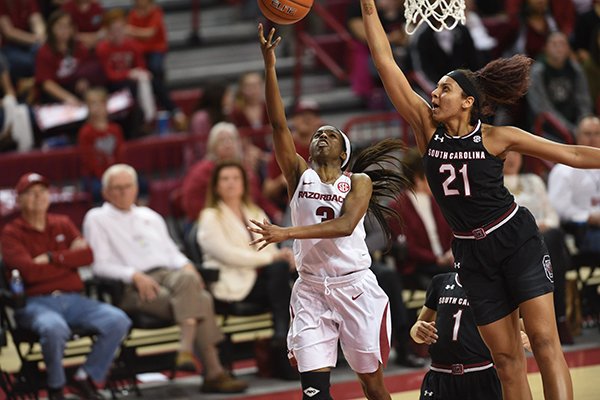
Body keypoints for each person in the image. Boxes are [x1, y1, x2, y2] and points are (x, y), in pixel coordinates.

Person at [361, 1, 600, 397]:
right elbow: (386, 63)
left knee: (543, 341)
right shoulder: (426, 130)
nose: (434, 94)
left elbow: (571, 154)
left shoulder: (495, 137)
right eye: (435, 89)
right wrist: (368, 7)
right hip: (472, 253)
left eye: (445, 89)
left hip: (515, 239)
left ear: (468, 101)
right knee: (505, 360)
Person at [252, 24, 411, 400]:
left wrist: (285, 233)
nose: (322, 135)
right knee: (313, 391)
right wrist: (270, 64)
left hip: (354, 287)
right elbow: (278, 124)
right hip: (310, 290)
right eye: (317, 133)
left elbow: (344, 226)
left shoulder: (358, 182)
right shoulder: (297, 175)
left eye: (332, 134)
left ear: (344, 153)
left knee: (371, 384)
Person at [82, 164, 248, 394]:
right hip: (132, 286)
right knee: (202, 300)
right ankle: (213, 372)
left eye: (127, 186)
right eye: (116, 188)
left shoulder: (149, 215)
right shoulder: (97, 218)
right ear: (106, 192)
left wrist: (188, 265)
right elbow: (99, 266)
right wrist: (133, 275)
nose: (122, 192)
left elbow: (172, 253)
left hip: (168, 276)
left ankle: (186, 349)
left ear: (135, 188)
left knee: (189, 279)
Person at [0, 172, 131, 400]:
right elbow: (29, 273)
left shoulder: (62, 223)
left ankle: (85, 377)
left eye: (42, 192)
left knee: (119, 320)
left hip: (74, 299)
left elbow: (88, 255)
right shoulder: (11, 233)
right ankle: (56, 387)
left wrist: (51, 258)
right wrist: (69, 258)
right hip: (35, 302)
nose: (38, 197)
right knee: (54, 328)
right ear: (19, 200)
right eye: (30, 193)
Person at [197, 160, 297, 380]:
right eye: (225, 179)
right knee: (280, 271)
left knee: (292, 273)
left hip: (265, 281)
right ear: (216, 186)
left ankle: (289, 339)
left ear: (244, 184)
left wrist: (283, 253)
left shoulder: (253, 209)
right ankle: (284, 336)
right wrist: (272, 257)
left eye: (236, 178)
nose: (231, 183)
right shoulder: (210, 216)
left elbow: (271, 241)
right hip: (234, 282)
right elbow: (228, 255)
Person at [503, 150, 574, 344]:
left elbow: (552, 215)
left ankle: (558, 318)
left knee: (553, 237)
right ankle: (554, 321)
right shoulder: (494, 183)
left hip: (543, 237)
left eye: (516, 153)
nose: (512, 158)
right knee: (549, 245)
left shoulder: (533, 180)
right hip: (515, 242)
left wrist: (544, 224)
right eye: (507, 154)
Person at [410, 272, 502, 400]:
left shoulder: (495, 285)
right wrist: (416, 331)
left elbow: (518, 326)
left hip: (479, 374)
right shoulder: (440, 281)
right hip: (439, 375)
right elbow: (419, 325)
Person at [389, 148, 455, 290]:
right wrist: (437, 259)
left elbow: (452, 230)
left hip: (445, 262)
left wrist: (451, 252)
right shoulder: (397, 206)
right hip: (419, 268)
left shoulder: (438, 200)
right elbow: (409, 248)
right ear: (418, 179)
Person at [527, 32, 592, 138]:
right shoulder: (537, 72)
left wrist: (584, 125)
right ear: (545, 48)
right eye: (554, 44)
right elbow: (543, 109)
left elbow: (584, 101)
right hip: (547, 130)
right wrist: (572, 130)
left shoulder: (575, 69)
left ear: (568, 49)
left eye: (562, 44)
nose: (558, 48)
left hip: (576, 126)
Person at [77, 87, 124, 203]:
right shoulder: (86, 132)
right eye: (93, 103)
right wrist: (107, 180)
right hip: (95, 176)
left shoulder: (115, 129)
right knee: (99, 190)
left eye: (101, 103)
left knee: (140, 183)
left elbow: (120, 154)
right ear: (87, 107)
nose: (97, 107)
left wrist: (119, 174)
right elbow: (89, 161)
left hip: (114, 171)